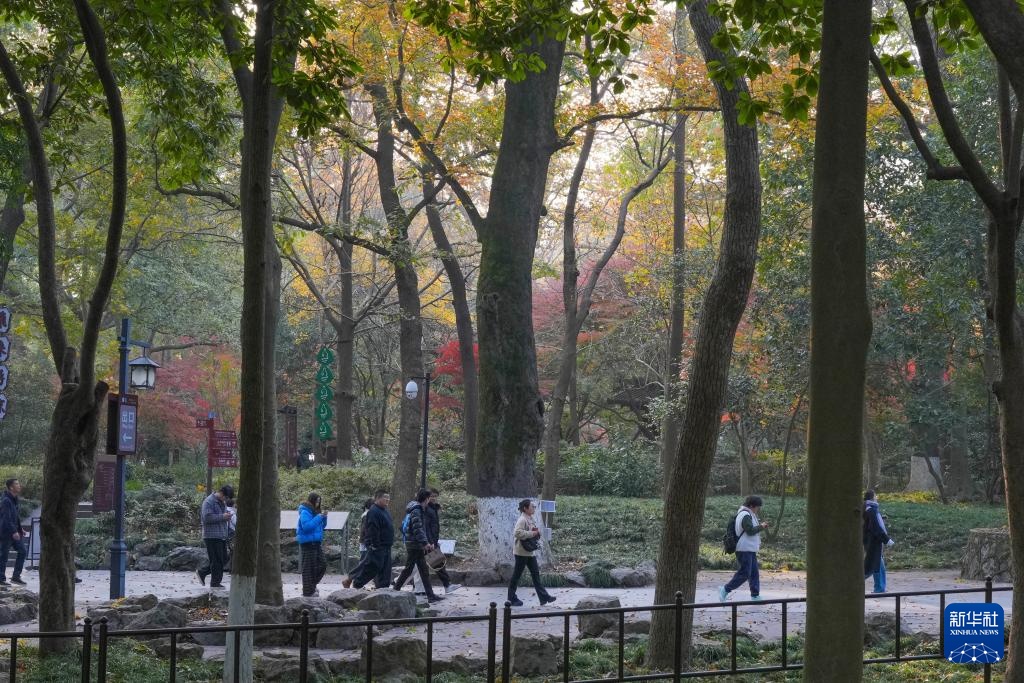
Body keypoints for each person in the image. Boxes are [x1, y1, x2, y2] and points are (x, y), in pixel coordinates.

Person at [392, 490, 443, 602]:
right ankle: (395, 591)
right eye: (429, 498)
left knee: (423, 570)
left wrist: (424, 542)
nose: (430, 500)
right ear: (426, 499)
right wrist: (425, 543)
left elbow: (419, 528)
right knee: (408, 569)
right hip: (415, 544)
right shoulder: (417, 510)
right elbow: (418, 528)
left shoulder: (416, 509)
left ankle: (430, 596)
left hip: (415, 544)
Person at [719, 495, 770, 602]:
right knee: (745, 573)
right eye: (757, 507)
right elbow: (750, 530)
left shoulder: (748, 514)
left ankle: (755, 596)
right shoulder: (745, 515)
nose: (758, 509)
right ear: (752, 506)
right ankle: (725, 589)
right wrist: (761, 526)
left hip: (749, 549)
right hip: (744, 549)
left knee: (754, 573)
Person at [507, 499, 556, 607]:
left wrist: (536, 533)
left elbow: (532, 533)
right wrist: (533, 533)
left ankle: (544, 597)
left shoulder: (530, 518)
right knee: (517, 575)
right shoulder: (522, 519)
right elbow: (517, 533)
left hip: (529, 552)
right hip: (521, 552)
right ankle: (511, 599)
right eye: (531, 506)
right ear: (525, 508)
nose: (534, 508)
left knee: (535, 575)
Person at [350, 490, 394, 591]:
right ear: (377, 498)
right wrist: (375, 544)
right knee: (372, 568)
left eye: (388, 497)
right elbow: (372, 529)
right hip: (378, 545)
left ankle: (383, 588)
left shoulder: (385, 510)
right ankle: (357, 583)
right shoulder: (373, 511)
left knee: (385, 569)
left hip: (386, 545)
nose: (387, 499)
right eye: (385, 497)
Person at [420, 488, 461, 595]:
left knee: (415, 567)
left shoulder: (432, 508)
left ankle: (397, 583)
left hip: (431, 541)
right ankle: (447, 585)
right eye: (431, 496)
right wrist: (430, 542)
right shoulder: (426, 509)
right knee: (437, 563)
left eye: (435, 496)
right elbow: (426, 527)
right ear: (427, 497)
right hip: (429, 542)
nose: (433, 498)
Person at [196, 484, 234, 589]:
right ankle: (215, 583)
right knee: (216, 560)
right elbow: (207, 518)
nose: (226, 500)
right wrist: (222, 517)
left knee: (224, 558)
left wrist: (227, 515)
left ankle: (202, 572)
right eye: (225, 497)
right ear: (222, 493)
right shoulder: (209, 502)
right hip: (211, 536)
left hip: (221, 534)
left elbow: (222, 515)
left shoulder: (222, 502)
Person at [297, 492, 329, 597]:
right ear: (312, 500)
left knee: (322, 564)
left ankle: (311, 587)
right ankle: (308, 591)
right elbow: (306, 527)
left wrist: (324, 518)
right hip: (307, 543)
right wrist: (319, 517)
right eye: (317, 501)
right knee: (308, 568)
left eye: (319, 502)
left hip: (316, 542)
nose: (318, 503)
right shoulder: (305, 511)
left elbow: (321, 527)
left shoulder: (316, 512)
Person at [863, 490, 895, 593]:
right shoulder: (871, 510)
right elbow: (875, 527)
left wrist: (881, 518)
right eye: (875, 496)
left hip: (871, 541)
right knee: (873, 567)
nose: (876, 497)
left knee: (876, 565)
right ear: (872, 497)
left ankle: (880, 587)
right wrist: (887, 540)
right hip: (873, 541)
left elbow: (870, 523)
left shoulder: (870, 509)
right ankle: (878, 588)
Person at [0, 479, 27, 586]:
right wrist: (14, 531)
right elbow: (6, 518)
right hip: (6, 532)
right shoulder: (6, 500)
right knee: (3, 556)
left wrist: (20, 529)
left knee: (23, 551)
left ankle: (16, 576)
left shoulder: (14, 499)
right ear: (11, 487)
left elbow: (16, 517)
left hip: (14, 531)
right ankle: (1, 579)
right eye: (17, 484)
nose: (19, 485)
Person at [342, 498, 373, 589]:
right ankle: (351, 580)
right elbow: (365, 530)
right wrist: (367, 542)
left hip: (365, 542)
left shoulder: (366, 514)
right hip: (366, 543)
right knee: (364, 563)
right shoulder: (367, 515)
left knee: (365, 563)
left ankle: (354, 581)